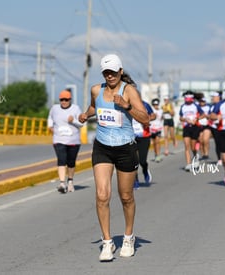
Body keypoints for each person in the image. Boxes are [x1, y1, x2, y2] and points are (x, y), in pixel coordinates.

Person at [78, 54, 149, 261]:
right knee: (102, 195)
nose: (109, 76)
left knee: (126, 197)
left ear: (120, 71)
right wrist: (86, 114)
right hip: (102, 148)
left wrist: (126, 106)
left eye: (113, 72)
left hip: (126, 148)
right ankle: (107, 243)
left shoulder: (129, 91)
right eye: (106, 72)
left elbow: (145, 119)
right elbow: (95, 106)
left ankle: (128, 237)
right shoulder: (96, 90)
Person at [47, 89, 83, 193]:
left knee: (71, 162)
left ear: (70, 100)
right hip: (59, 139)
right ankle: (62, 183)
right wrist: (50, 127)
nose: (64, 102)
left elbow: (82, 124)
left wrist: (74, 121)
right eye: (62, 99)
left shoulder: (76, 109)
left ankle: (70, 181)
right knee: (61, 160)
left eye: (66, 100)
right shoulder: (55, 108)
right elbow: (50, 118)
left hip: (73, 140)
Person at [179, 91, 205, 172]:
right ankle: (188, 164)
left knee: (193, 146)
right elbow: (180, 117)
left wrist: (196, 119)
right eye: (186, 99)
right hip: (186, 127)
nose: (188, 100)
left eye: (189, 99)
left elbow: (203, 114)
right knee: (186, 146)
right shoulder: (183, 106)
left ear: (192, 99)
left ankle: (195, 156)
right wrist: (185, 119)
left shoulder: (196, 106)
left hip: (195, 127)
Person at [132, 100, 156, 189]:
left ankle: (145, 170)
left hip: (144, 136)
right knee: (133, 161)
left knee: (142, 161)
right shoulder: (123, 104)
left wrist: (147, 119)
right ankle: (135, 180)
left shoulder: (144, 104)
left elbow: (153, 115)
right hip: (130, 136)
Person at [209, 91, 222, 166]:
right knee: (217, 143)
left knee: (224, 143)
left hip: (223, 126)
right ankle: (219, 159)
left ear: (219, 97)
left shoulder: (223, 104)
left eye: (214, 97)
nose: (212, 98)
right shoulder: (212, 106)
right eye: (212, 97)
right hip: (214, 127)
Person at [150, 98, 164, 162]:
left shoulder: (161, 111)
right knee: (154, 143)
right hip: (152, 128)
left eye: (157, 104)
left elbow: (162, 118)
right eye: (154, 104)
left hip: (158, 128)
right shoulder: (151, 110)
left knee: (158, 142)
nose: (155, 105)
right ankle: (156, 154)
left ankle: (158, 155)